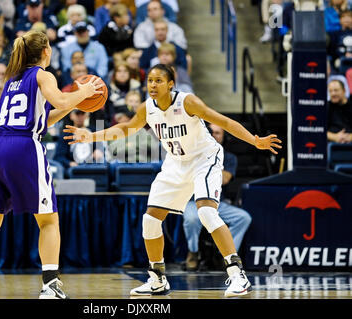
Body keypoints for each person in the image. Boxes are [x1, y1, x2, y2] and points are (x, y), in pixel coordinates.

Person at [64, 63, 282, 297]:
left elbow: (225, 122)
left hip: (204, 158)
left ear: (171, 84)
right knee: (150, 220)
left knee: (206, 213)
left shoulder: (188, 102)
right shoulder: (148, 107)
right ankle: (157, 279)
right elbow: (126, 128)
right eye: (150, 81)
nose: (153, 85)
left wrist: (255, 140)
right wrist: (91, 136)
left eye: (158, 81)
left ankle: (237, 274)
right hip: (176, 163)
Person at [0, 30, 103, 300]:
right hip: (21, 148)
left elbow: (44, 118)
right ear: (46, 51)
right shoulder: (43, 75)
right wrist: (85, 93)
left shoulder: (13, 79)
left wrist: (71, 103)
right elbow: (58, 100)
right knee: (48, 221)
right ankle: (51, 286)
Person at [182, 123, 252, 271]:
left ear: (223, 137)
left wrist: (201, 174)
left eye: (218, 133)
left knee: (243, 217)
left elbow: (225, 178)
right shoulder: (193, 153)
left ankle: (225, 254)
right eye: (211, 132)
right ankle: (193, 252)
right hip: (193, 201)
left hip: (217, 202)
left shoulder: (229, 157)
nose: (214, 135)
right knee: (192, 218)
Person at [55, 109, 105, 176]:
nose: (80, 117)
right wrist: (69, 163)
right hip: (75, 166)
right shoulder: (65, 135)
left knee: (103, 165)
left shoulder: (93, 131)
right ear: (71, 116)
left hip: (92, 164)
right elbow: (59, 156)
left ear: (87, 115)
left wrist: (99, 151)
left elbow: (100, 149)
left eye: (82, 114)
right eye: (77, 114)